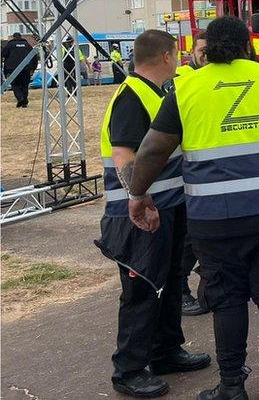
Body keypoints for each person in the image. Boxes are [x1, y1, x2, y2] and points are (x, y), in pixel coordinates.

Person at [127, 16, 259, 400]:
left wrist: (137, 194)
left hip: (214, 216)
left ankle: (233, 384)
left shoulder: (185, 87)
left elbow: (153, 150)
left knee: (227, 298)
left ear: (208, 50)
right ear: (248, 46)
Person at [94, 29, 211, 397]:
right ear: (165, 56)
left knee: (171, 281)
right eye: (176, 54)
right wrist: (138, 196)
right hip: (138, 214)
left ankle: (166, 350)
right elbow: (124, 154)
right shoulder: (131, 96)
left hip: (168, 207)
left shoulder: (160, 92)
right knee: (142, 287)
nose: (178, 59)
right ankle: (129, 369)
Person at [172, 32, 209, 317]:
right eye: (201, 50)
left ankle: (207, 286)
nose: (206, 54)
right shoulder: (183, 78)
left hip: (208, 172)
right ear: (192, 52)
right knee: (187, 239)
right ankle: (179, 290)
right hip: (185, 172)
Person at [2, 32, 38, 107]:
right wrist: (33, 68)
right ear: (21, 37)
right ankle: (24, 102)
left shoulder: (10, 45)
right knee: (24, 85)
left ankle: (21, 99)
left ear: (13, 37)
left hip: (13, 69)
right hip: (26, 69)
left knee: (15, 85)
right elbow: (34, 56)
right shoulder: (27, 45)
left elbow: (2, 54)